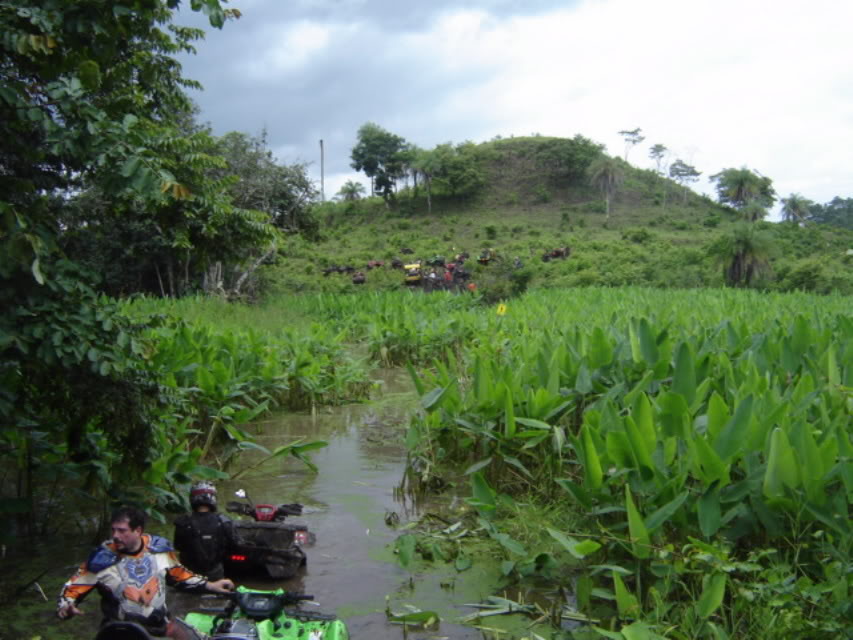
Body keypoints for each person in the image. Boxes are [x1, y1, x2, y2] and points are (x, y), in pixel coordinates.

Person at [57, 505, 234, 639]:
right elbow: (73, 588)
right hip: (121, 630)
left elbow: (179, 575)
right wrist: (66, 606)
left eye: (122, 530)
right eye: (113, 530)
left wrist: (211, 585)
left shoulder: (158, 550)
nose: (116, 536)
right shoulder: (101, 560)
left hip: (160, 622)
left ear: (138, 531)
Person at [173, 482, 238, 581]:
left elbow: (178, 545)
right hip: (215, 571)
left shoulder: (183, 521)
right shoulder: (223, 521)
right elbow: (234, 544)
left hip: (189, 572)